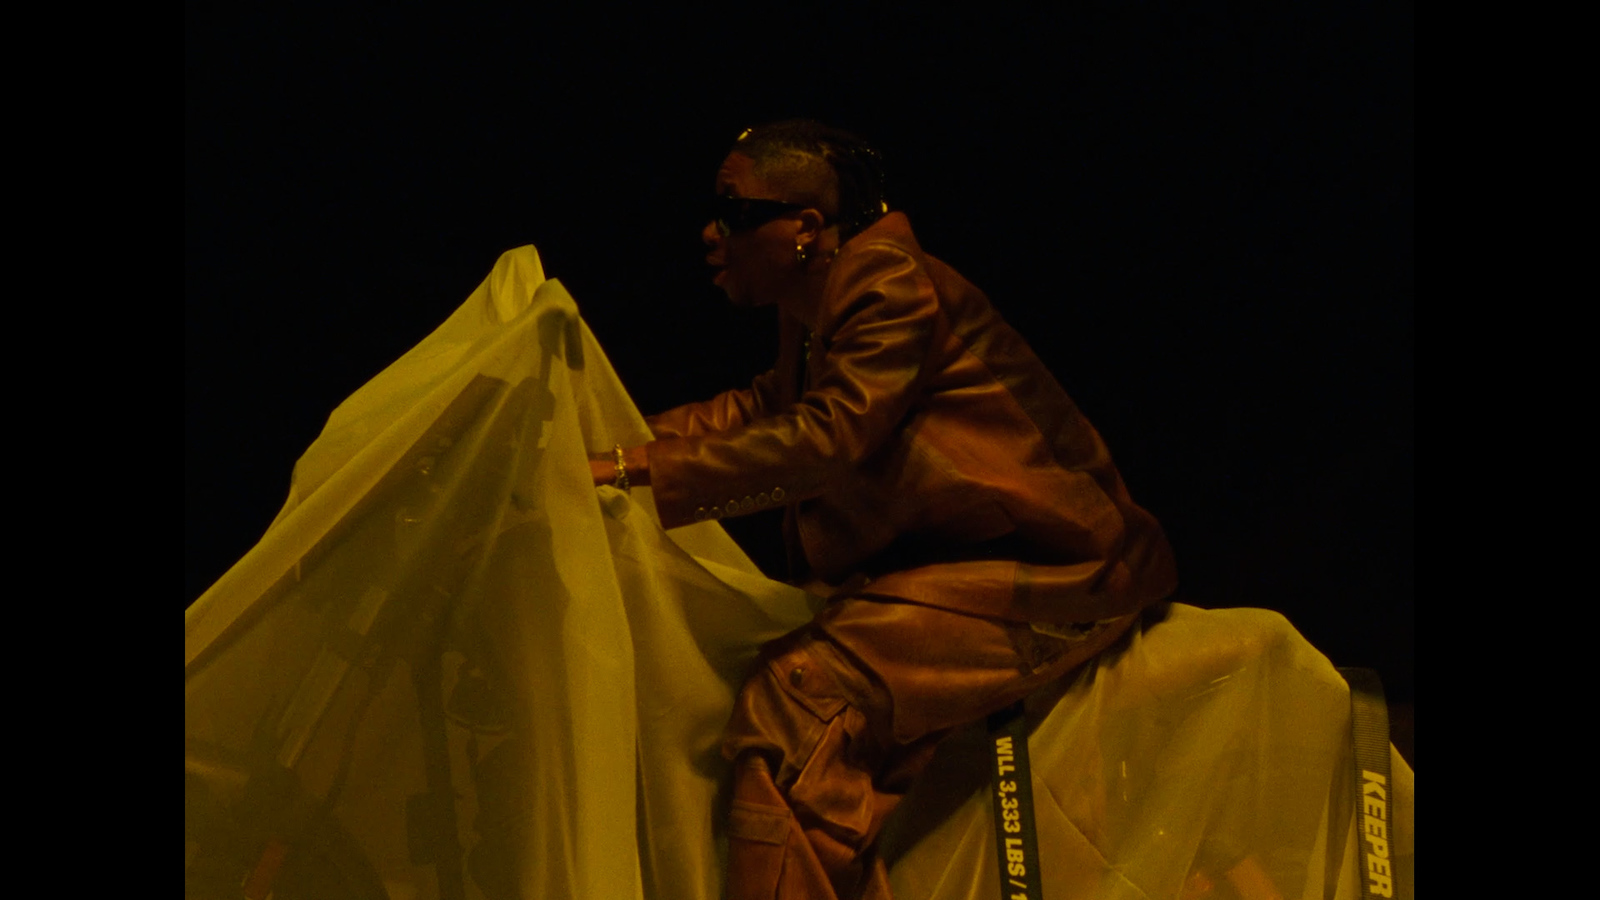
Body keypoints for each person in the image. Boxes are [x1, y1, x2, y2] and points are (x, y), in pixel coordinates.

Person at [591, 120, 1177, 900]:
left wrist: (631, 469)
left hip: (1054, 566)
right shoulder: (821, 298)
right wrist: (592, 439)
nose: (710, 232)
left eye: (733, 213)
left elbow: (829, 436)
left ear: (803, 229)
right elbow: (768, 405)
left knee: (799, 701)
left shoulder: (887, 281)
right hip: (938, 565)